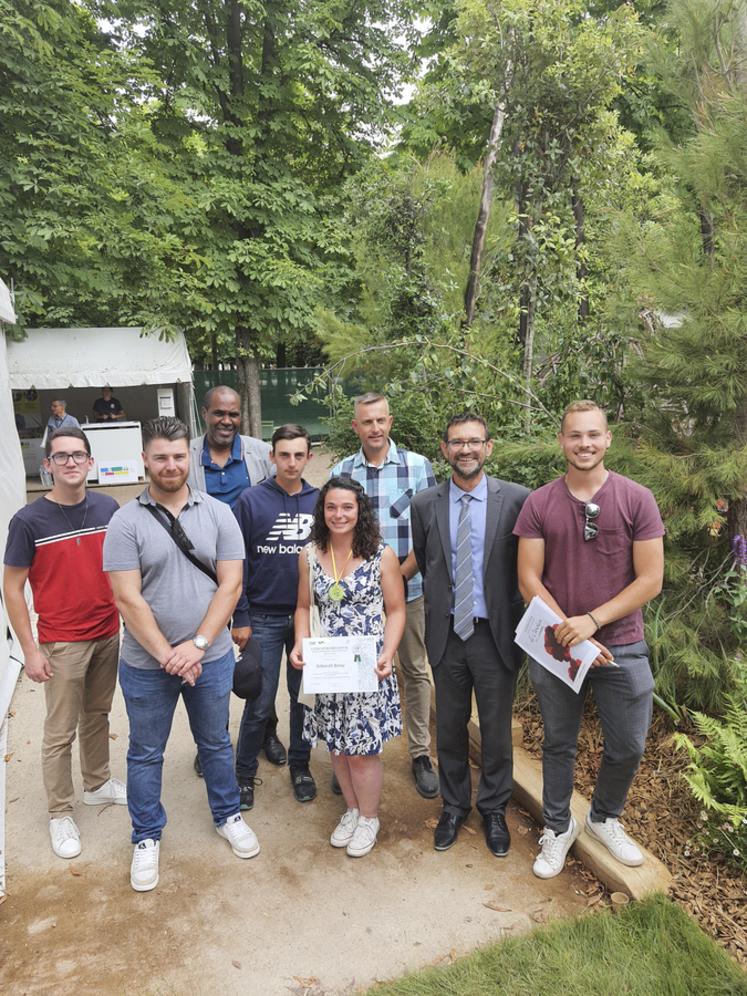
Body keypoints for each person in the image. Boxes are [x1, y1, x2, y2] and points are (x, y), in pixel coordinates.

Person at [103, 416, 257, 893]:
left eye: (177, 456)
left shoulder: (219, 514)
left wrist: (198, 645)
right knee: (146, 752)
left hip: (210, 658)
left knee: (215, 743)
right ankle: (146, 835)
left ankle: (227, 815)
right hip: (146, 665)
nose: (170, 465)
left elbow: (230, 585)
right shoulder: (125, 521)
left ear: (187, 457)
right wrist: (169, 655)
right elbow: (127, 597)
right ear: (144, 460)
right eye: (160, 457)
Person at [514, 400, 665, 879]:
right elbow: (528, 579)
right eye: (575, 435)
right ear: (562, 440)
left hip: (623, 643)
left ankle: (603, 818)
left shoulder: (636, 499)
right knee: (559, 743)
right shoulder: (540, 503)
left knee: (629, 745)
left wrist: (593, 621)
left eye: (593, 434)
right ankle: (558, 826)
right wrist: (571, 631)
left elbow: (651, 579)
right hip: (558, 644)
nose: (585, 444)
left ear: (607, 439)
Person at [3, 427, 125, 860]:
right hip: (61, 641)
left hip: (107, 631)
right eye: (61, 456)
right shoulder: (28, 521)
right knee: (59, 732)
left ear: (90, 462)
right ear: (48, 465)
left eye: (78, 455)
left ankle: (97, 782)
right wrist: (30, 649)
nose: (70, 462)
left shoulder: (109, 508)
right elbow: (11, 587)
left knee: (97, 714)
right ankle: (59, 812)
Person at [411, 413, 529, 858]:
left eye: (474, 441)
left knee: (496, 731)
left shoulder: (516, 500)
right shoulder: (425, 504)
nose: (466, 450)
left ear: (488, 447)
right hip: (447, 634)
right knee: (450, 729)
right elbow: (427, 561)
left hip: (494, 635)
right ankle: (455, 806)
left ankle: (494, 809)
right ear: (445, 449)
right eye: (457, 442)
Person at [290, 477, 406, 858]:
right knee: (338, 748)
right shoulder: (310, 554)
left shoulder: (381, 555)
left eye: (347, 507)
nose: (338, 514)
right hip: (327, 666)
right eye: (331, 507)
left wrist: (388, 652)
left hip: (367, 668)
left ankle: (369, 817)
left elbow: (396, 610)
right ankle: (353, 809)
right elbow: (303, 607)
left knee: (361, 751)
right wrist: (300, 642)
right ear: (322, 511)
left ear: (360, 511)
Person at [331, 392, 438, 799]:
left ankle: (420, 753)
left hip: (408, 592)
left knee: (414, 670)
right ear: (355, 427)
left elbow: (430, 534)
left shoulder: (417, 467)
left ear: (390, 422)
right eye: (366, 422)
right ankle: (352, 750)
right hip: (355, 602)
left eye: (380, 420)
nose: (374, 428)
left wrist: (397, 577)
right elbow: (334, 534)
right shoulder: (342, 471)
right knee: (355, 673)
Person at [187, 385, 285, 770]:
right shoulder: (187, 456)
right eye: (219, 413)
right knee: (208, 665)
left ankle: (266, 731)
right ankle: (211, 742)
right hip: (203, 579)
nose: (226, 421)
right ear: (205, 413)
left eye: (233, 414)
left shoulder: (261, 454)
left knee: (258, 664)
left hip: (253, 579)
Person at [232, 424, 319, 810]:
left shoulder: (320, 501)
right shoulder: (250, 501)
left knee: (303, 699)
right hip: (263, 617)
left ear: (309, 457)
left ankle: (301, 766)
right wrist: (240, 615)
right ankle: (243, 774)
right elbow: (236, 562)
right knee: (259, 702)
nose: (291, 462)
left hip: (307, 619)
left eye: (299, 455)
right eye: (284, 455)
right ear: (272, 456)